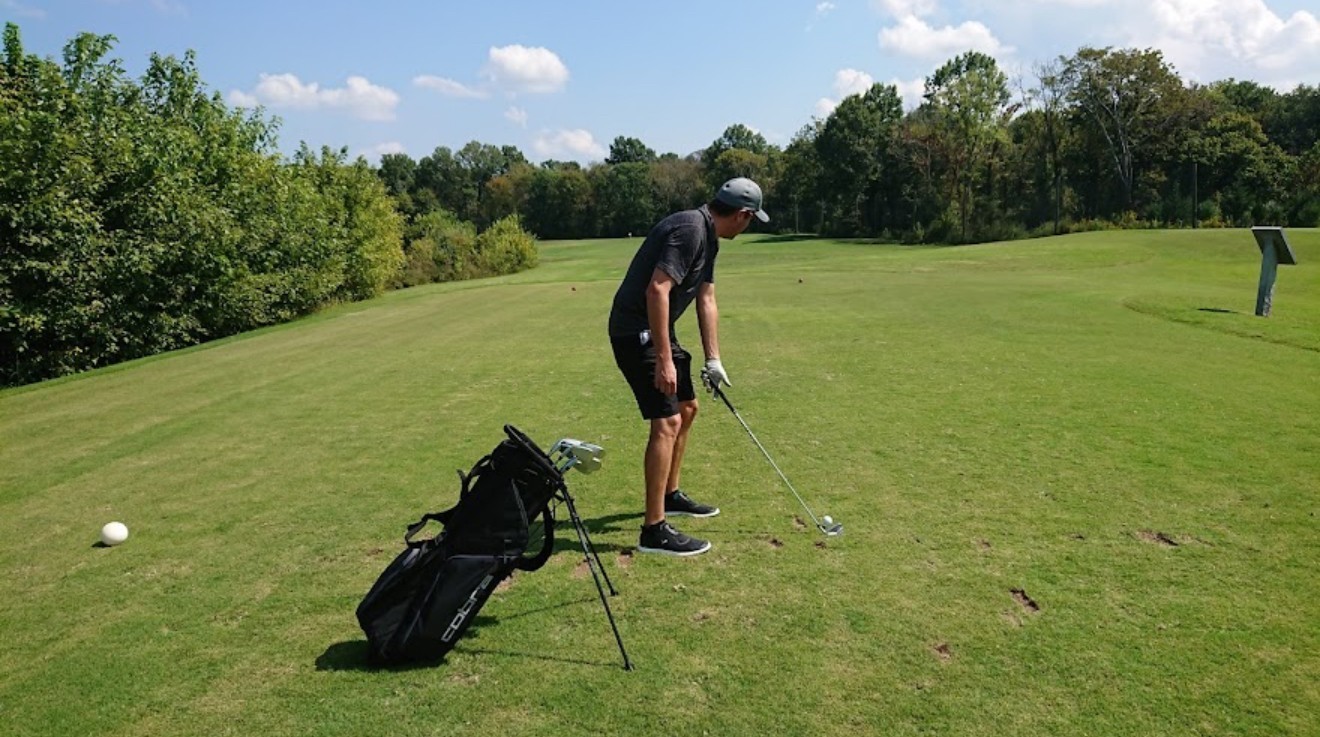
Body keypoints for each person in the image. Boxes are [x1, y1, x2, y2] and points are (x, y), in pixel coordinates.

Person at [608, 177, 769, 556]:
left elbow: (706, 298)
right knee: (667, 422)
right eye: (751, 221)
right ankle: (654, 530)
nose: (748, 228)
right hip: (636, 333)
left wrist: (713, 359)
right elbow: (657, 290)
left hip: (657, 329)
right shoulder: (689, 229)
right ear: (742, 215)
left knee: (688, 408)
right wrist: (664, 359)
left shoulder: (708, 237)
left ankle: (670, 494)